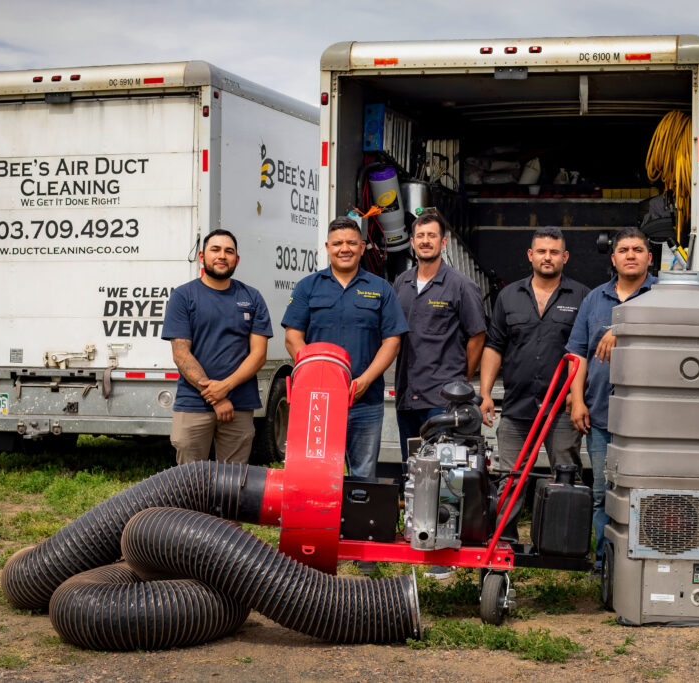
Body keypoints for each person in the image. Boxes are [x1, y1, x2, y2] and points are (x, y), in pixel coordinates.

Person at [479, 227, 589, 542]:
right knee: (510, 479)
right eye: (541, 251)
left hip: (561, 408)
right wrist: (485, 393)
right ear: (530, 255)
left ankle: (562, 543)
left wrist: (576, 395)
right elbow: (494, 346)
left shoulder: (582, 296)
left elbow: (584, 352)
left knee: (565, 477)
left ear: (565, 257)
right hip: (517, 407)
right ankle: (505, 541)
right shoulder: (509, 296)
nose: (547, 257)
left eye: (554, 252)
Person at [394, 210, 486, 580]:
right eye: (421, 236)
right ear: (413, 242)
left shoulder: (460, 285)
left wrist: (460, 383)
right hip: (407, 395)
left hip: (443, 400)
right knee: (413, 472)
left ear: (443, 242)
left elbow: (477, 335)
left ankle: (445, 551)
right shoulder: (400, 283)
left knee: (447, 477)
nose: (426, 241)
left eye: (433, 236)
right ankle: (416, 537)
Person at [282, 217, 408, 482]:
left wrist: (364, 380)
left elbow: (392, 341)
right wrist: (316, 376)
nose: (345, 248)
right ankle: (319, 523)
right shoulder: (308, 286)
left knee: (362, 476)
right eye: (338, 243)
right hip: (318, 401)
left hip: (364, 399)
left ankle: (354, 525)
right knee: (316, 474)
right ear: (327, 247)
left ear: (362, 247)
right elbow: (293, 336)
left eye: (352, 243)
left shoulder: (380, 289)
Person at [567, 226, 658, 571]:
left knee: (645, 492)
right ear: (614, 258)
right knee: (603, 493)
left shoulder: (662, 297)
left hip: (648, 421)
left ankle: (643, 561)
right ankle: (606, 565)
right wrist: (578, 401)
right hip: (602, 415)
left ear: (649, 258)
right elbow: (577, 355)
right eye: (624, 250)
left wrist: (622, 330)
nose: (631, 255)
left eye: (638, 249)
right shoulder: (594, 299)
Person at [162, 228, 272, 464]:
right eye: (215, 250)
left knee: (232, 483)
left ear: (237, 259)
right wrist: (217, 398)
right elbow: (181, 354)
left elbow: (259, 355)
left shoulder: (252, 297)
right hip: (193, 403)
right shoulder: (184, 296)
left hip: (240, 403)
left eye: (229, 251)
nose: (222, 255)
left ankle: (226, 504)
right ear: (202, 256)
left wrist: (226, 388)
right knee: (189, 481)